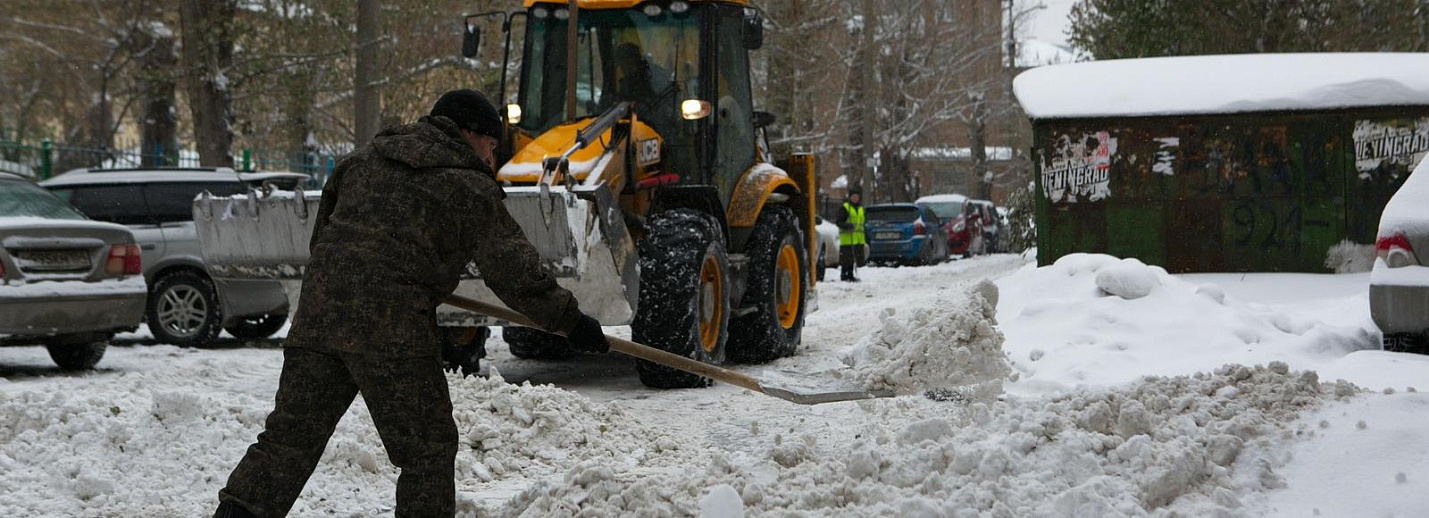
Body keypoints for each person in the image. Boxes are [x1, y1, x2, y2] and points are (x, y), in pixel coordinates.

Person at [213, 89, 610, 518]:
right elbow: (515, 273)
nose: (491, 161)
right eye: (492, 148)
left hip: (319, 318)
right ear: (468, 134)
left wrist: (375, 276)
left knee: (288, 440)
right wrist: (571, 322)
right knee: (427, 451)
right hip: (390, 330)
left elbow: (325, 240)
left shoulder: (360, 162)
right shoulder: (468, 186)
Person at [837, 189, 866, 282]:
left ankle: (850, 275)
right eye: (853, 196)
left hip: (857, 238)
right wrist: (847, 226)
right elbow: (839, 222)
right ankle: (845, 275)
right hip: (847, 238)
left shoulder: (860, 208)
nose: (855, 198)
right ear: (849, 197)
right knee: (846, 259)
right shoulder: (845, 208)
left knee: (852, 259)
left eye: (856, 196)